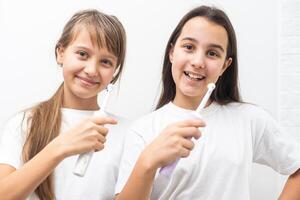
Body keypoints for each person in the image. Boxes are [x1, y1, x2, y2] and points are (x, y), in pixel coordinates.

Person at [115, 5, 300, 200]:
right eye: (188, 47)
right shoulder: (143, 130)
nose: (198, 62)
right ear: (171, 52)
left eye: (212, 53)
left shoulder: (249, 119)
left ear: (224, 66)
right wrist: (148, 162)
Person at [0, 9, 128, 200]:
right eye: (83, 54)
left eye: (105, 62)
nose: (92, 70)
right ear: (61, 53)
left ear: (114, 71)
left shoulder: (128, 133)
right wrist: (60, 147)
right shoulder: (25, 123)